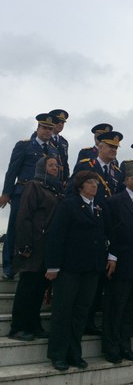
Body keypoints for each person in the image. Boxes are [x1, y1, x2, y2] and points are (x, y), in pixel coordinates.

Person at [45, 171, 109, 372]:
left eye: (96, 183)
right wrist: (53, 266)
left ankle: (74, 353)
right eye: (89, 182)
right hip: (70, 269)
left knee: (81, 312)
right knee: (63, 311)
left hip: (91, 269)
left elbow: (102, 235)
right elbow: (56, 236)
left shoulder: (98, 207)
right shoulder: (69, 204)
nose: (94, 186)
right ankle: (58, 354)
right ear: (80, 186)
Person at [69, 130, 123, 335]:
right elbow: (72, 192)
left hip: (107, 225)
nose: (113, 150)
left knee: (97, 279)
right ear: (99, 147)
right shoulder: (86, 166)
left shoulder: (118, 172)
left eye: (116, 147)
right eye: (110, 146)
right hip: (86, 223)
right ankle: (78, 322)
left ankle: (89, 320)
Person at [8, 155, 65, 342]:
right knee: (27, 288)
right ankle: (18, 327)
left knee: (39, 289)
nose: (55, 168)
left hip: (47, 248)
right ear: (42, 168)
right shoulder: (34, 186)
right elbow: (24, 216)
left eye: (56, 165)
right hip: (33, 246)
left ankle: (34, 324)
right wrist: (25, 245)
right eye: (50, 165)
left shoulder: (55, 190)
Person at [102, 161, 133, 364]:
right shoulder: (115, 202)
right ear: (126, 181)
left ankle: (125, 346)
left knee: (132, 311)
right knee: (117, 308)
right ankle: (111, 348)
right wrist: (112, 256)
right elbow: (110, 231)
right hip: (122, 264)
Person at [0, 112, 60, 279]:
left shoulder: (54, 150)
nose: (48, 131)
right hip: (23, 192)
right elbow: (12, 170)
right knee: (15, 227)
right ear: (38, 128)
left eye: (50, 129)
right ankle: (9, 265)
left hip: (44, 197)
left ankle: (30, 264)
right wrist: (6, 193)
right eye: (45, 128)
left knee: (38, 231)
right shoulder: (24, 145)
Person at [49, 109, 70, 184]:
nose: (61, 124)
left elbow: (65, 163)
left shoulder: (64, 142)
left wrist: (66, 179)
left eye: (63, 122)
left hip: (59, 181)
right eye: (58, 121)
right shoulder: (42, 137)